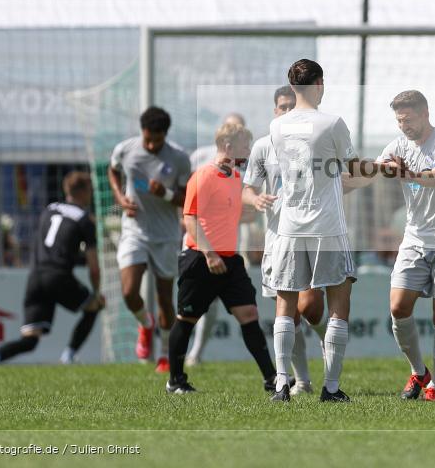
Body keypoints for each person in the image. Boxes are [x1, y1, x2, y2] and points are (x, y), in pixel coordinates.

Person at [267, 59, 374, 403]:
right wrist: (383, 168)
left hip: (289, 226)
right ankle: (330, 388)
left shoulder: (276, 127)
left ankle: (282, 385)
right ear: (319, 84)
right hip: (327, 225)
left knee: (285, 305)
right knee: (338, 305)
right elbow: (355, 169)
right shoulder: (332, 123)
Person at [166, 123, 280, 394]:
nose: (248, 151)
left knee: (249, 314)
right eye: (244, 146)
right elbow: (190, 218)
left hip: (230, 261)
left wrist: (256, 202)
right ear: (228, 146)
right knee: (186, 319)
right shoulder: (202, 176)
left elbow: (237, 210)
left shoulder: (235, 178)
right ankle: (175, 380)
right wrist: (209, 253)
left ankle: (271, 379)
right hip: (201, 259)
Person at [376, 90, 435, 401]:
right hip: (415, 237)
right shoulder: (398, 145)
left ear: (425, 113)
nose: (404, 126)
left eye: (408, 119)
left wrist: (407, 173)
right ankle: (419, 372)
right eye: (399, 120)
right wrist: (376, 168)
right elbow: (379, 166)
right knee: (397, 307)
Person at [243, 85, 329, 396]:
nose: (287, 110)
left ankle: (327, 338)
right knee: (289, 315)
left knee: (309, 307)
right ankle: (303, 381)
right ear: (275, 110)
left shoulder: (317, 142)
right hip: (277, 239)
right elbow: (248, 187)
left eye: (292, 105)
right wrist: (254, 199)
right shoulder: (263, 146)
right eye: (282, 106)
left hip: (310, 235)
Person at [0, 172, 104, 368]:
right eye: (90, 191)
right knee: (95, 306)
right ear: (84, 192)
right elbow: (94, 267)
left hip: (35, 277)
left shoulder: (49, 210)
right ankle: (68, 357)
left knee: (30, 339)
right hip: (58, 276)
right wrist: (96, 292)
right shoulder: (85, 220)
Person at [108, 106, 191, 373]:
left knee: (166, 298)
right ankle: (145, 324)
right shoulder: (125, 150)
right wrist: (121, 199)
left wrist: (165, 194)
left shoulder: (178, 158)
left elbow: (187, 197)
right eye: (148, 139)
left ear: (166, 135)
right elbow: (113, 171)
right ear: (141, 132)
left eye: (157, 140)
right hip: (134, 231)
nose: (152, 144)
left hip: (165, 235)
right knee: (129, 292)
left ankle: (165, 354)